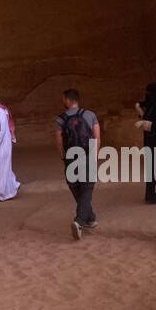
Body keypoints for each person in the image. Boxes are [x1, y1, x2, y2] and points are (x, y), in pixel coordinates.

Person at [55, 88, 100, 240]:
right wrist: (95, 156)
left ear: (68, 100)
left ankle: (83, 220)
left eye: (63, 99)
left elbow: (59, 140)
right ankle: (85, 219)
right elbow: (96, 137)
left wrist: (63, 157)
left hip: (71, 157)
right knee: (87, 188)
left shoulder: (60, 119)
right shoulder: (90, 115)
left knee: (76, 187)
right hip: (86, 155)